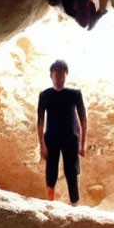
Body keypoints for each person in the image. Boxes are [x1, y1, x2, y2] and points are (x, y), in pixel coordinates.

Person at [37, 59, 87, 205]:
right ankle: (51, 203)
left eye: (62, 74)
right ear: (51, 75)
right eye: (57, 74)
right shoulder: (44, 95)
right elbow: (40, 122)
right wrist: (42, 146)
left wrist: (83, 144)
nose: (60, 78)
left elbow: (83, 120)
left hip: (71, 138)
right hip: (51, 138)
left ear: (66, 75)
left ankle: (74, 204)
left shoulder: (75, 94)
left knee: (72, 172)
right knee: (51, 170)